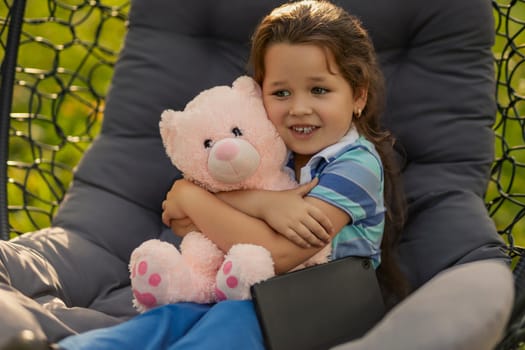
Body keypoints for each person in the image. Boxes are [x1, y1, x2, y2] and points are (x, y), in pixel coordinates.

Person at [56, 1, 409, 349]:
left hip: (321, 306)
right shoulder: (270, 149)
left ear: (358, 95)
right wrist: (263, 204)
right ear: (259, 94)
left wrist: (194, 198)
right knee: (173, 316)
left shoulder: (356, 165)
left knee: (230, 322)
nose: (299, 108)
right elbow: (181, 221)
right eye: (281, 92)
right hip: (249, 290)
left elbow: (278, 254)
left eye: (319, 90)